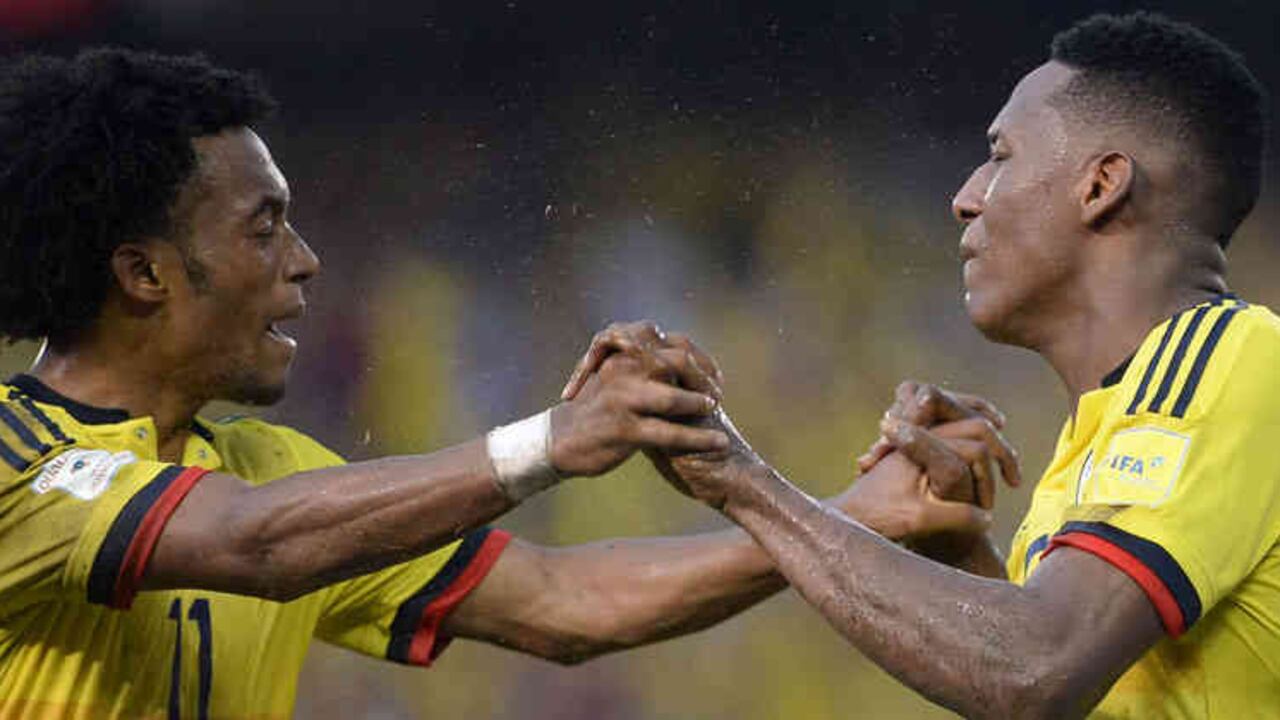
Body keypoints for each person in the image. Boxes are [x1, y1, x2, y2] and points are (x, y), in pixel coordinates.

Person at [0, 48, 1000, 719]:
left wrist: (849, 518)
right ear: (144, 273)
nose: (303, 261)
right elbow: (254, 544)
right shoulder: (18, 459)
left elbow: (566, 601)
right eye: (263, 227)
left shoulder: (266, 470)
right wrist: (550, 442)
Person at [569, 12, 1276, 719]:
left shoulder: (1239, 360)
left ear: (1101, 185)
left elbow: (1036, 673)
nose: (965, 196)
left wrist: (743, 482)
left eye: (1001, 156)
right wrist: (960, 555)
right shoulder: (1103, 437)